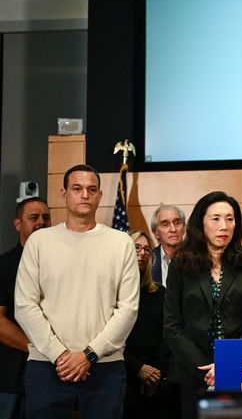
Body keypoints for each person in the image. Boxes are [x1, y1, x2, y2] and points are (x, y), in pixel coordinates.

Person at [15, 164, 140, 419]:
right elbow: (24, 305)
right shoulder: (39, 242)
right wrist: (60, 354)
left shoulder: (122, 243)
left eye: (91, 189)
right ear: (64, 193)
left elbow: (128, 309)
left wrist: (89, 354)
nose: (85, 195)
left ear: (99, 196)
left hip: (104, 366)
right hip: (47, 365)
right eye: (77, 188)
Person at [164, 191, 242, 419]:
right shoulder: (180, 264)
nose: (224, 226)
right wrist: (207, 369)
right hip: (193, 373)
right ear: (200, 223)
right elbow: (172, 326)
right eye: (216, 219)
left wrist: (228, 362)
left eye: (230, 219)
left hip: (238, 369)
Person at [0, 197, 51, 419]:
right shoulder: (3, 265)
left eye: (46, 218)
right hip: (11, 378)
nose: (41, 222)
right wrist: (39, 350)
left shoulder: (61, 265)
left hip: (53, 378)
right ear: (18, 224)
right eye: (34, 217)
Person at [123, 230, 175, 419]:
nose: (142, 253)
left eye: (147, 249)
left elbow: (168, 336)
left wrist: (153, 374)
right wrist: (138, 369)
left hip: (157, 380)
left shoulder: (160, 293)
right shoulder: (111, 294)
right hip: (123, 379)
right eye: (136, 247)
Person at [151, 205, 186, 286]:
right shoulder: (148, 260)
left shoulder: (197, 258)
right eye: (165, 224)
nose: (173, 229)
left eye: (177, 223)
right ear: (156, 233)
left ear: (184, 228)